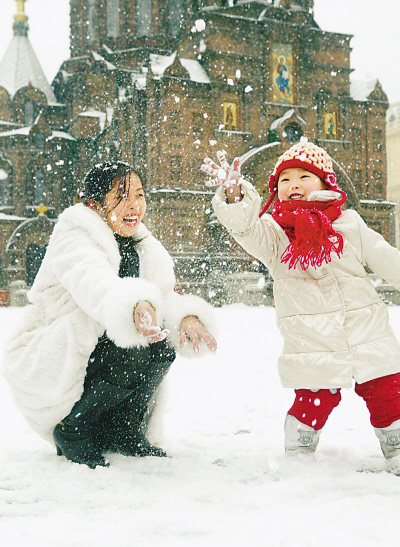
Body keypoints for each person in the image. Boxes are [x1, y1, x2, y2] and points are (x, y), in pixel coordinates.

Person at [201, 141, 400, 475]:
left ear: (325, 182)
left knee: (388, 391)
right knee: (314, 398)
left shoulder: (349, 224)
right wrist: (235, 196)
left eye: (304, 176)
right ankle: (299, 451)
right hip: (312, 338)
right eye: (285, 179)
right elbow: (245, 229)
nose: (293, 184)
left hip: (365, 330)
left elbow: (387, 258)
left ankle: (396, 447)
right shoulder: (274, 234)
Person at [2, 161, 217, 469]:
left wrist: (186, 317)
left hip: (93, 345)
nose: (134, 205)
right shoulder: (75, 235)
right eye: (121, 196)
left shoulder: (140, 242)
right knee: (129, 343)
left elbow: (164, 294)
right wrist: (134, 305)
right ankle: (73, 429)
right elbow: (93, 282)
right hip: (54, 350)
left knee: (163, 342)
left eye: (139, 195)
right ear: (94, 204)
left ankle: (124, 430)